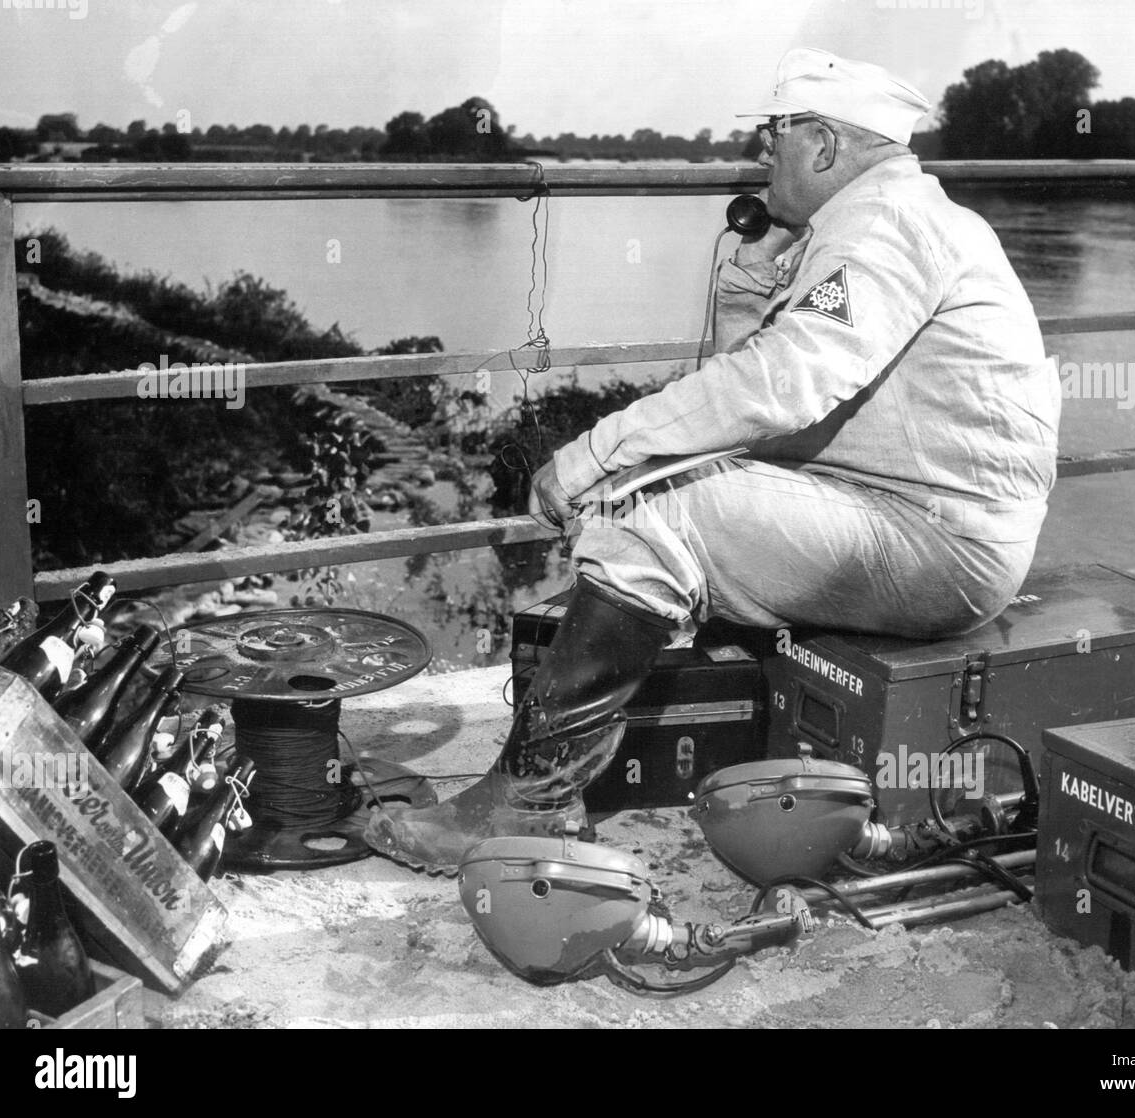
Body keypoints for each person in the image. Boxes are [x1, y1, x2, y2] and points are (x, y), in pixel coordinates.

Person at [365, 47, 1061, 873]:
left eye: (775, 136)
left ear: (826, 145)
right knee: (659, 486)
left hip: (941, 546)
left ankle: (527, 806)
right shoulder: (870, 222)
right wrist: (743, 299)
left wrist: (593, 453)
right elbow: (757, 410)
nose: (762, 155)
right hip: (900, 510)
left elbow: (780, 387)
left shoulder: (887, 230)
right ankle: (567, 777)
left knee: (646, 511)